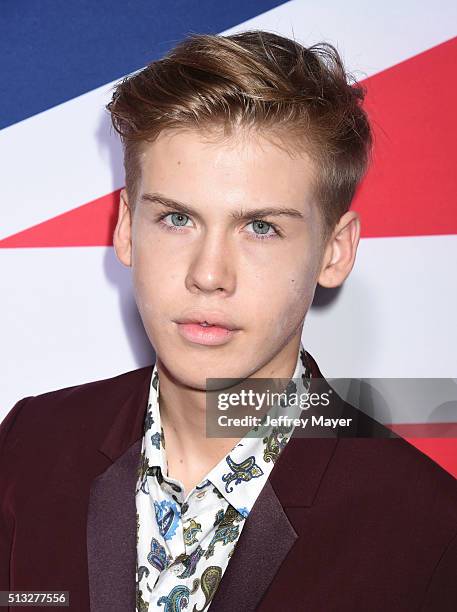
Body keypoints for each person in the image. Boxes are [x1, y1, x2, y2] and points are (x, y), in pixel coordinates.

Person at [1, 30, 456, 612]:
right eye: (176, 219)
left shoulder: (426, 533)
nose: (209, 274)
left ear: (334, 252)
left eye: (261, 227)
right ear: (124, 228)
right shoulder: (32, 445)